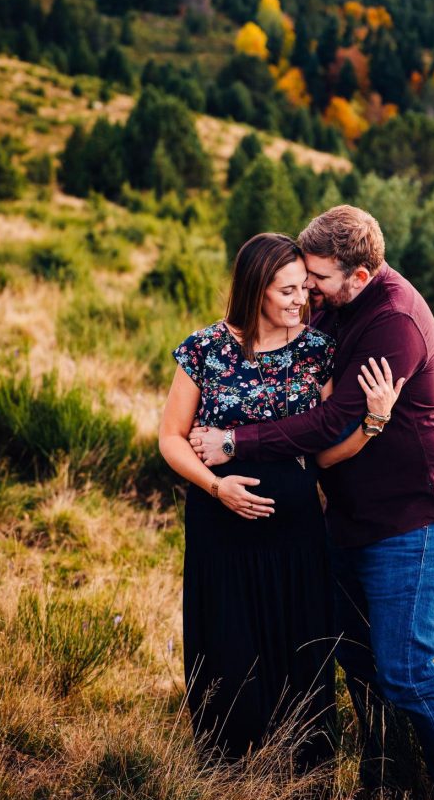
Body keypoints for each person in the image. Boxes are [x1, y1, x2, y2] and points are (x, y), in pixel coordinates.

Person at [190, 207, 434, 800]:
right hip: (350, 514)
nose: (309, 293)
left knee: (407, 670)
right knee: (357, 661)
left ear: (358, 275)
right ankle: (387, 791)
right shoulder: (334, 304)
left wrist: (234, 441)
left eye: (320, 281)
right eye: (301, 280)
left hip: (411, 516)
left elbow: (330, 423)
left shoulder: (395, 325)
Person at [159, 231, 403, 769]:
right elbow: (171, 438)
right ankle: (229, 770)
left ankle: (303, 772)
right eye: (288, 291)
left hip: (295, 532)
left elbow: (326, 452)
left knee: (302, 645)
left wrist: (374, 421)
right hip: (219, 526)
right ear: (256, 290)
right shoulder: (204, 349)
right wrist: (216, 487)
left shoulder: (317, 352)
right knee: (228, 643)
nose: (303, 301)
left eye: (305, 290)